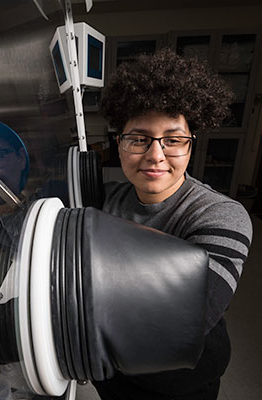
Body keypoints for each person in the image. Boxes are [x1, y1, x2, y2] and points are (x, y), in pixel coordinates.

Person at [93, 49, 253, 400]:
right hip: (110, 373)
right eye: (138, 138)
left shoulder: (220, 215)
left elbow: (185, 322)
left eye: (173, 139)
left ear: (190, 146)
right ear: (119, 144)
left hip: (181, 382)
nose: (155, 154)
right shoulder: (103, 198)